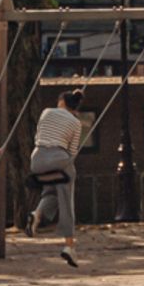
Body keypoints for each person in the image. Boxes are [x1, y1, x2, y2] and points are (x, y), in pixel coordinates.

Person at [28, 88, 88, 266]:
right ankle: (69, 246)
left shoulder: (46, 112)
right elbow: (72, 152)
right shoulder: (76, 123)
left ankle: (37, 214)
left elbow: (38, 136)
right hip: (59, 158)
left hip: (37, 159)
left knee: (51, 188)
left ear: (61, 102)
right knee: (66, 197)